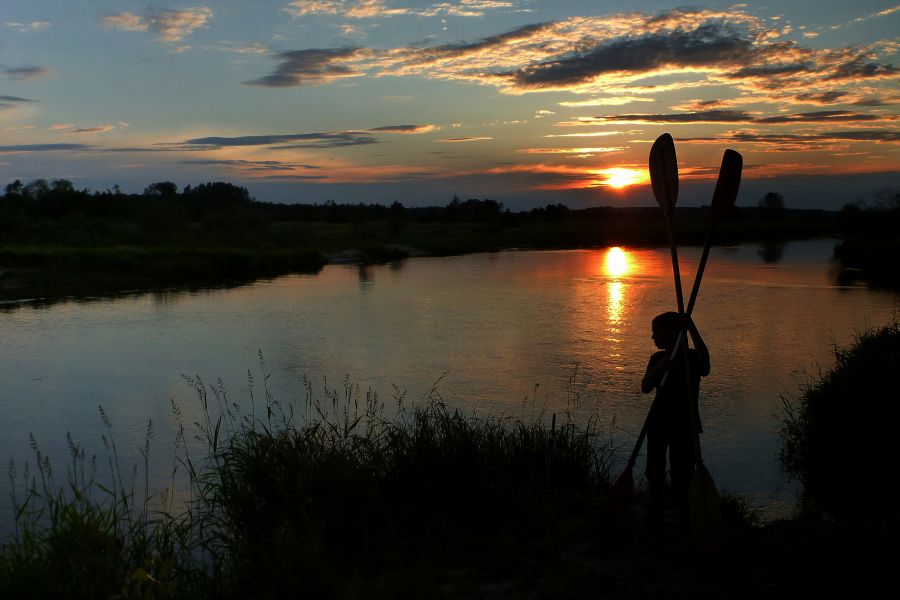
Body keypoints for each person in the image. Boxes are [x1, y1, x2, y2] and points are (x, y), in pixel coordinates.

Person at [640, 311, 710, 521]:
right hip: (659, 422)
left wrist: (691, 327)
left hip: (684, 423)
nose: (652, 337)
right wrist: (661, 368)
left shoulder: (689, 358)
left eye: (656, 332)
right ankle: (656, 509)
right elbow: (645, 387)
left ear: (671, 333)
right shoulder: (658, 359)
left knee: (682, 471)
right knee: (655, 470)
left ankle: (684, 512)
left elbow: (705, 366)